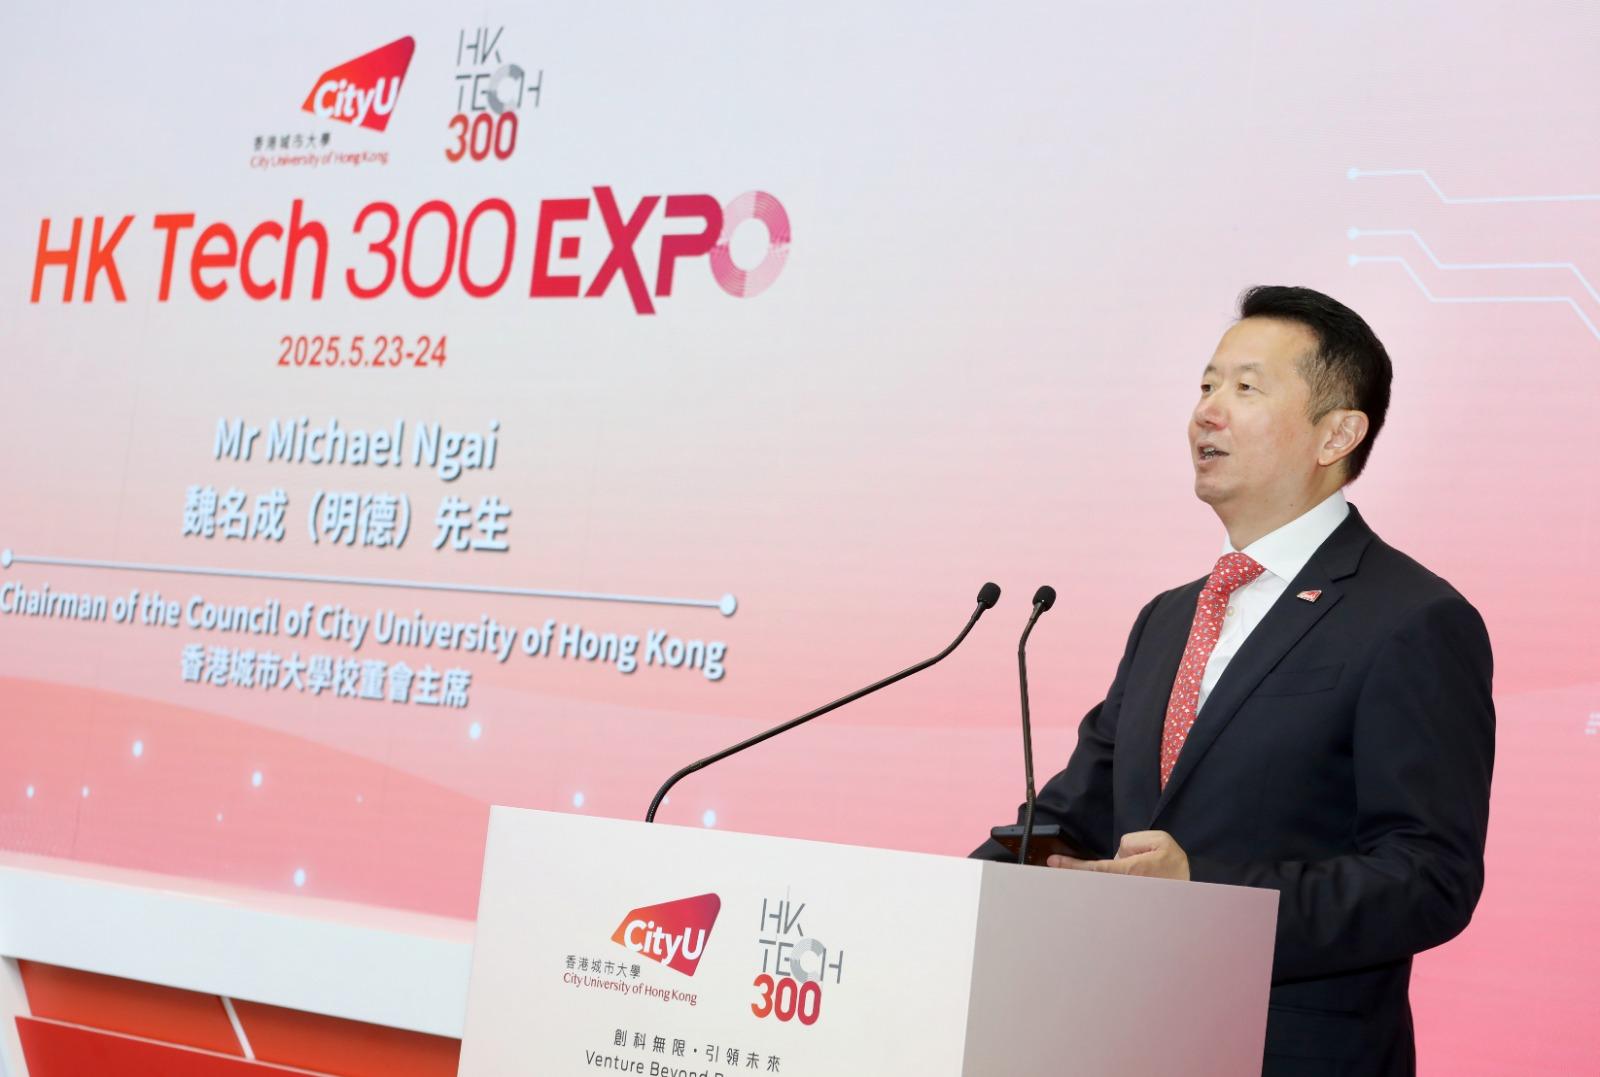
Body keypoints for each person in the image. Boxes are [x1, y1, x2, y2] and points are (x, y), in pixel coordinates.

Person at [974, 285, 1495, 1076]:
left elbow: (1427, 878)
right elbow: (1074, 814)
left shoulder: (1411, 619)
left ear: (1337, 434)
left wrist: (1206, 893)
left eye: (1246, 388)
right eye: (1206, 385)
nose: (1206, 412)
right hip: (1121, 1041)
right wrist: (943, 901)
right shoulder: (1168, 617)